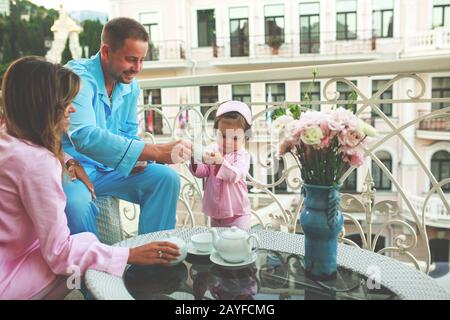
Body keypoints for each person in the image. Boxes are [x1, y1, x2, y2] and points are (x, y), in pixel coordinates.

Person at [0, 56, 181, 300]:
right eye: (65, 101)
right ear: (44, 107)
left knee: (164, 178)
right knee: (86, 249)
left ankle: (148, 269)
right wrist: (128, 255)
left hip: (10, 252)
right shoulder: (37, 163)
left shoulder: (8, 137)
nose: (72, 108)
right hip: (9, 278)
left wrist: (67, 160)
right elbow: (60, 255)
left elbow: (127, 131)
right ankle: (99, 292)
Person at [62, 17, 191, 236]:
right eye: (131, 59)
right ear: (106, 51)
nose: (137, 68)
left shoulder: (130, 86)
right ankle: (93, 266)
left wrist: (139, 158)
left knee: (166, 179)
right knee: (76, 204)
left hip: (111, 169)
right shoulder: (77, 77)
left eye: (142, 60)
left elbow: (129, 132)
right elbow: (84, 135)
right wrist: (157, 151)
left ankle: (152, 256)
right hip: (75, 168)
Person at [190, 100, 252, 229]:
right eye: (223, 135)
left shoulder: (242, 155)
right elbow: (203, 172)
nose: (228, 141)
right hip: (216, 214)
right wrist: (194, 158)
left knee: (238, 244)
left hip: (237, 214)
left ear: (245, 137)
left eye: (234, 138)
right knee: (217, 244)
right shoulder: (213, 148)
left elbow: (235, 175)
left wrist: (220, 162)